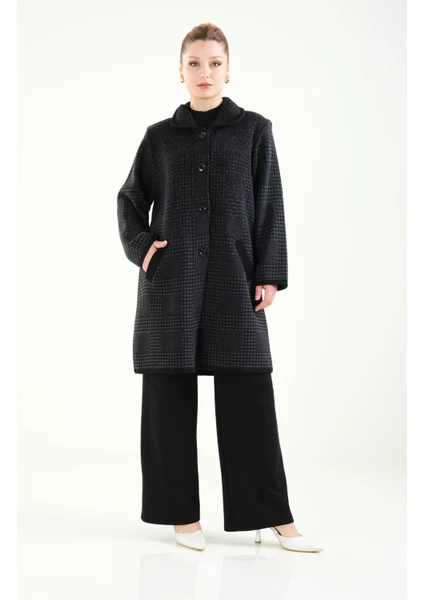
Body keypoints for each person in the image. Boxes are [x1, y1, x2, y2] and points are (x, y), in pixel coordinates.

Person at [117, 22, 323, 553]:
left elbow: (269, 202)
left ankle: (270, 515)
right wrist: (144, 247)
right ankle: (180, 516)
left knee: (249, 394)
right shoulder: (159, 137)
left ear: (228, 70)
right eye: (194, 63)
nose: (204, 73)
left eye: (214, 63)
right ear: (180, 71)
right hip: (172, 285)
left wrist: (269, 272)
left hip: (235, 281)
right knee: (167, 399)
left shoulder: (254, 130)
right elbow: (129, 199)